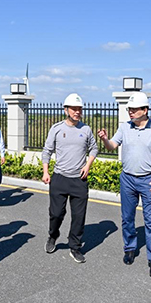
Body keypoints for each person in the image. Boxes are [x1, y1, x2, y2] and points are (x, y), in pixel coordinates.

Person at [97, 91, 151, 278]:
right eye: (129, 109)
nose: (131, 112)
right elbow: (112, 146)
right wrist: (104, 139)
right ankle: (129, 248)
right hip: (127, 178)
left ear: (145, 110)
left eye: (134, 109)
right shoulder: (124, 127)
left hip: (148, 179)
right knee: (127, 217)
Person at [42, 93, 98, 263]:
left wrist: (88, 165)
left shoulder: (86, 129)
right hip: (59, 178)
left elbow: (94, 148)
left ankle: (75, 247)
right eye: (74, 109)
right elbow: (47, 151)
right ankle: (53, 235)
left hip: (79, 180)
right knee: (56, 214)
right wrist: (46, 172)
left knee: (79, 216)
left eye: (79, 109)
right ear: (66, 110)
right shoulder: (56, 128)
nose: (77, 112)